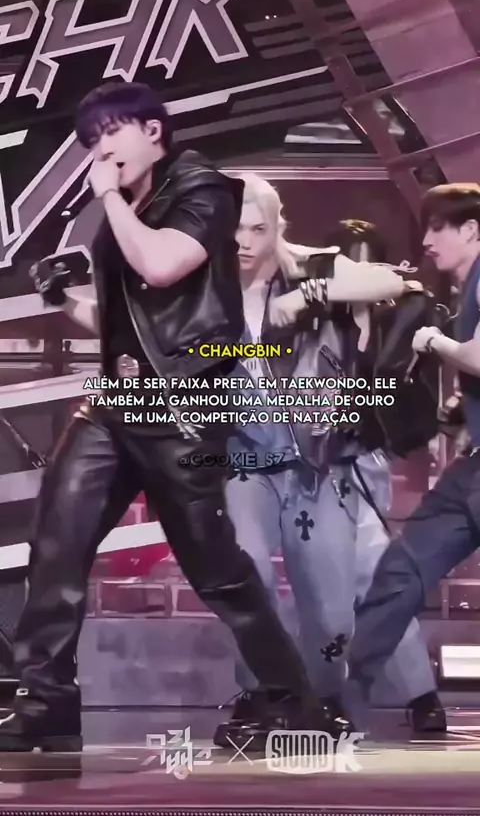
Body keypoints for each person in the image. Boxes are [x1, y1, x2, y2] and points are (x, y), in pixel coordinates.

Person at [1, 82, 349, 753]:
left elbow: (162, 267)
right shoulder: (127, 210)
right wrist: (63, 297)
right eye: (90, 140)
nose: (100, 148)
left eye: (111, 132)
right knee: (57, 541)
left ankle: (292, 700)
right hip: (117, 401)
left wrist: (107, 199)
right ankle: (45, 702)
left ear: (153, 131)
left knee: (214, 564)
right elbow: (133, 321)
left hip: (182, 406)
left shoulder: (203, 188)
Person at [214, 177, 442, 748]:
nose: (244, 241)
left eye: (258, 228)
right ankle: (260, 694)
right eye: (235, 229)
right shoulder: (204, 285)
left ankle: (319, 699)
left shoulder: (313, 266)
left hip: (320, 462)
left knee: (332, 607)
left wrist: (311, 295)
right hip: (246, 459)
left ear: (277, 228)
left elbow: (396, 282)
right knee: (248, 578)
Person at [347, 184, 480, 712]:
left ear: (471, 230)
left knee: (400, 571)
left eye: (437, 228)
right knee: (401, 570)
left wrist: (434, 342)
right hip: (471, 473)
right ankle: (341, 703)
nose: (426, 240)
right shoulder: (466, 289)